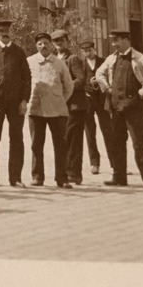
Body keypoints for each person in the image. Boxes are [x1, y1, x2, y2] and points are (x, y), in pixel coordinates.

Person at [94, 28, 143, 189]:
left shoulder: (140, 58)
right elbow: (99, 73)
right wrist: (107, 87)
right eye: (113, 41)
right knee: (117, 143)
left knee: (139, 144)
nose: (114, 44)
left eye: (116, 40)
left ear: (126, 40)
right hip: (116, 108)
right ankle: (119, 177)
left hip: (135, 109)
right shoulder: (111, 59)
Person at [0, 18, 32, 187]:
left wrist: (25, 99)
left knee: (17, 138)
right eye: (0, 31)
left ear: (11, 32)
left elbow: (27, 77)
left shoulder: (18, 51)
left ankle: (15, 177)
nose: (4, 34)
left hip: (15, 102)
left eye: (7, 31)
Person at [26, 31, 76, 187]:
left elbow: (68, 86)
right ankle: (37, 177)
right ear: (36, 46)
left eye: (46, 43)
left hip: (57, 111)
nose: (43, 46)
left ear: (51, 46)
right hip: (36, 110)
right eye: (40, 44)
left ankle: (62, 178)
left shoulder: (60, 63)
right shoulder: (29, 62)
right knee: (36, 144)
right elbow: (24, 83)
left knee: (60, 145)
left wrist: (59, 100)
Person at [57, 32, 102, 184]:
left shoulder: (73, 58)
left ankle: (74, 174)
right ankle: (66, 171)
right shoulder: (54, 59)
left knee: (74, 140)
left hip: (75, 105)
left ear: (67, 42)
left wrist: (64, 88)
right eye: (55, 41)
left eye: (61, 41)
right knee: (65, 139)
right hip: (61, 105)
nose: (58, 44)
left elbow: (81, 79)